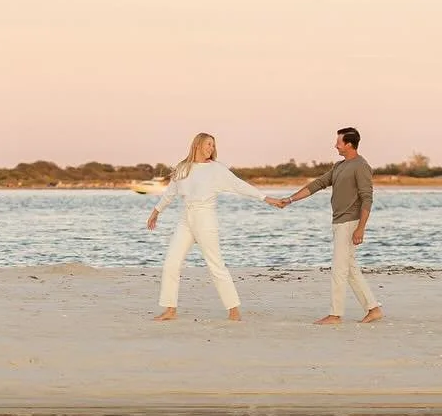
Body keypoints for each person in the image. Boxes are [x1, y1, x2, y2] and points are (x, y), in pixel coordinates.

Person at [147, 132, 278, 321]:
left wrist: (266, 198)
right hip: (185, 219)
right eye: (208, 144)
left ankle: (233, 311)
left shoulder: (217, 170)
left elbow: (239, 185)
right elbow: (170, 193)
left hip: (205, 219)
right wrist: (155, 213)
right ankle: (170, 310)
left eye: (213, 145)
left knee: (216, 265)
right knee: (171, 264)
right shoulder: (183, 168)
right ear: (197, 145)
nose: (212, 148)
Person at [275, 126, 383, 324]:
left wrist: (361, 228)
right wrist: (290, 200)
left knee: (339, 269)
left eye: (339, 142)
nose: (336, 145)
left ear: (349, 144)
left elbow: (367, 198)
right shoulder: (339, 166)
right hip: (339, 222)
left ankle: (335, 314)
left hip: (350, 222)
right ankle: (373, 308)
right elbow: (317, 184)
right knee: (349, 269)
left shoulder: (361, 166)